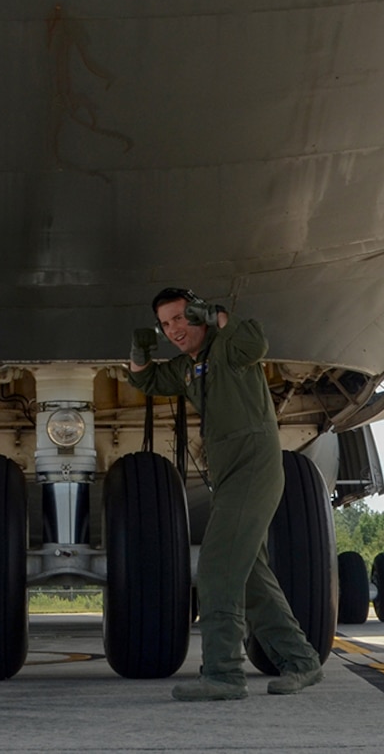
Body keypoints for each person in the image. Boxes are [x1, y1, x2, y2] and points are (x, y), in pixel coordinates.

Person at [127, 288, 322, 701]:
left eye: (180, 318)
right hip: (229, 473)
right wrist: (140, 349)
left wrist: (215, 314)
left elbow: (256, 341)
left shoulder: (230, 348)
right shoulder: (187, 368)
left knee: (217, 567)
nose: (174, 330)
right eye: (165, 325)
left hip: (254, 466)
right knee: (250, 577)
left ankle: (223, 674)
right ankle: (301, 661)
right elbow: (144, 379)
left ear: (197, 314)